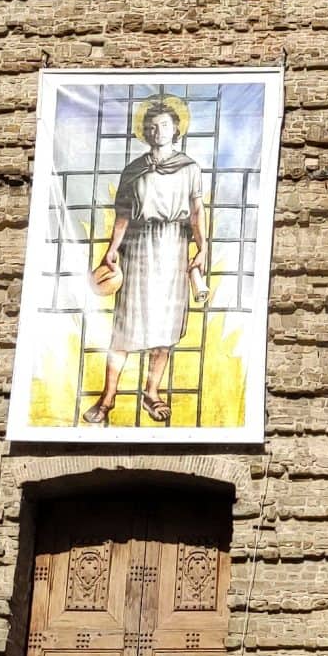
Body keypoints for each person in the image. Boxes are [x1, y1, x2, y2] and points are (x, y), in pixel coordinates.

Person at [84, 98, 205, 426]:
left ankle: (151, 392)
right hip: (138, 248)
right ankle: (108, 398)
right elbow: (123, 214)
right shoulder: (134, 170)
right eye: (152, 127)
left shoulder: (190, 169)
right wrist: (112, 248)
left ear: (176, 130)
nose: (158, 131)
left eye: (164, 125)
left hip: (172, 247)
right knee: (126, 327)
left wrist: (202, 249)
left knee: (165, 327)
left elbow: (196, 213)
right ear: (145, 133)